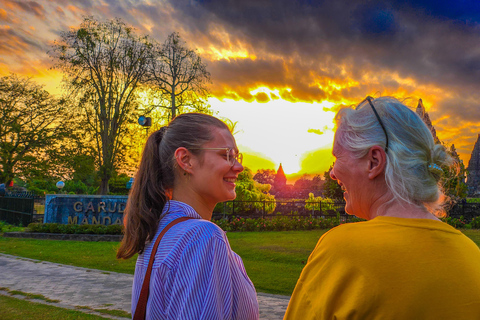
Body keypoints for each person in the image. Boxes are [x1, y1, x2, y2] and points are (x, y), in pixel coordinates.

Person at [284, 96, 480, 319]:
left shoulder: (342, 251)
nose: (332, 173)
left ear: (374, 162)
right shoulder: (471, 255)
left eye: (338, 157)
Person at [117, 113, 259, 319]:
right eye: (226, 155)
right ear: (186, 160)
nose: (238, 166)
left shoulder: (158, 233)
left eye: (237, 156)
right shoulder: (204, 237)